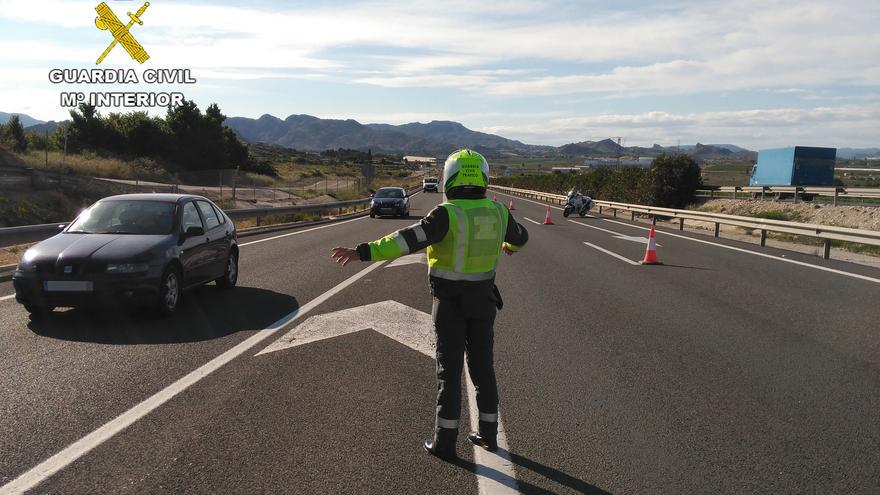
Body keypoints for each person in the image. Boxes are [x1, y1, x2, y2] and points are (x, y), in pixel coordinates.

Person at [330, 149, 528, 461]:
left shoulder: (446, 214)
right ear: (484, 177)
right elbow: (521, 237)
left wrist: (362, 252)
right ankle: (488, 435)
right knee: (483, 367)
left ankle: (445, 442)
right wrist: (508, 246)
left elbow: (405, 240)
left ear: (450, 177)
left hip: (449, 304)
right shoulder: (499, 211)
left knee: (448, 372)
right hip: (484, 301)